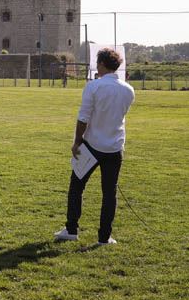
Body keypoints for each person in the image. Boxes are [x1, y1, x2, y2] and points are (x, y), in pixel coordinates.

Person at [55, 48, 135, 245]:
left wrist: (77, 141)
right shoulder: (128, 90)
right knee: (109, 193)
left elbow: (83, 118)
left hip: (91, 145)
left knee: (76, 187)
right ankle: (104, 237)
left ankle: (72, 229)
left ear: (100, 64)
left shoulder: (94, 87)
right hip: (115, 147)